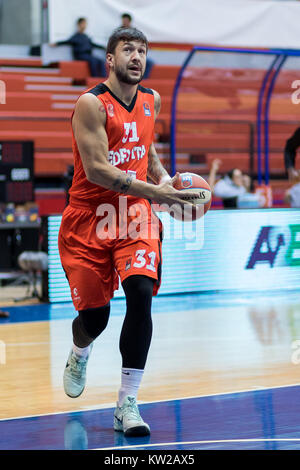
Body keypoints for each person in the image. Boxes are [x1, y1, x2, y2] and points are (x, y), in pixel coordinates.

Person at [58, 26, 200, 437]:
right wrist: (156, 191)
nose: (136, 57)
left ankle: (127, 402)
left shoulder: (152, 100)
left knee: (140, 292)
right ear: (110, 58)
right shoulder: (90, 104)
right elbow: (100, 170)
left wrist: (167, 182)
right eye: (127, 50)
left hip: (134, 213)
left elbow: (147, 150)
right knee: (95, 317)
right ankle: (79, 349)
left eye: (142, 50)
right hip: (89, 215)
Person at [120, 13, 154, 79]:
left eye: (126, 21)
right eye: (123, 21)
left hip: (134, 53)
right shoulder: (118, 33)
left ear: (129, 22)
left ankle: (143, 79)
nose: (124, 23)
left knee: (149, 62)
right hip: (124, 53)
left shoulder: (135, 32)